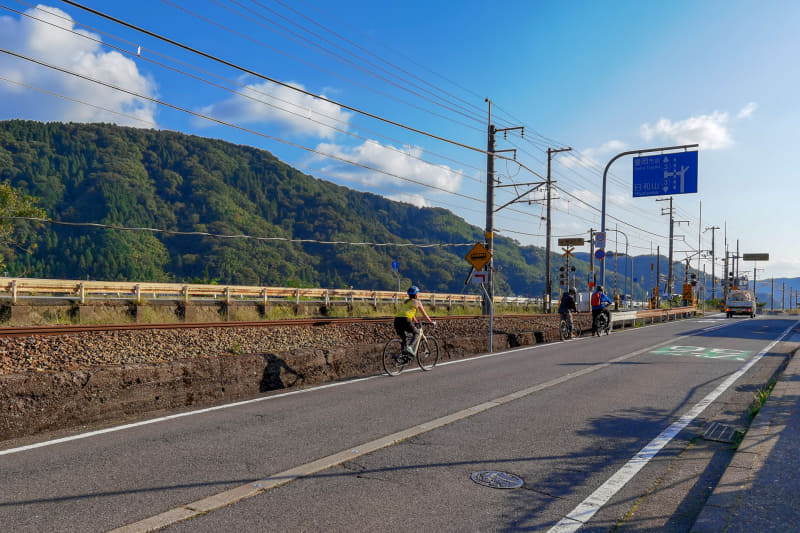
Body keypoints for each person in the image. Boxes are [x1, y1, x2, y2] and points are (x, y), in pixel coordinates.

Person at [394, 286, 435, 356]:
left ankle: (401, 355)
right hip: (405, 320)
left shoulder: (406, 302)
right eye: (418, 293)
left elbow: (411, 314)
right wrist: (431, 321)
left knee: (404, 339)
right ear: (416, 294)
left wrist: (416, 322)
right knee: (417, 333)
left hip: (397, 320)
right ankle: (409, 347)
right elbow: (424, 314)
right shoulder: (417, 302)